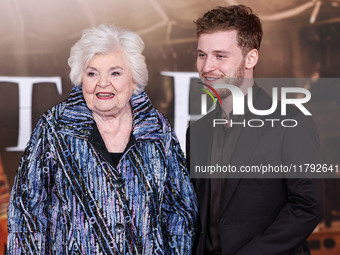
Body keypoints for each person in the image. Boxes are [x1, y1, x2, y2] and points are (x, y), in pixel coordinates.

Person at [7, 24, 198, 254]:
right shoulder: (53, 127)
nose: (103, 83)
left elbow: (180, 210)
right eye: (92, 73)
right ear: (81, 79)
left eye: (115, 73)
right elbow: (27, 214)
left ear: (134, 79)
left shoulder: (157, 129)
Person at [186, 5, 323, 255]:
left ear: (251, 58)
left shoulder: (292, 122)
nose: (207, 67)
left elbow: (307, 206)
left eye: (220, 55)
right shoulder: (198, 130)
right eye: (202, 54)